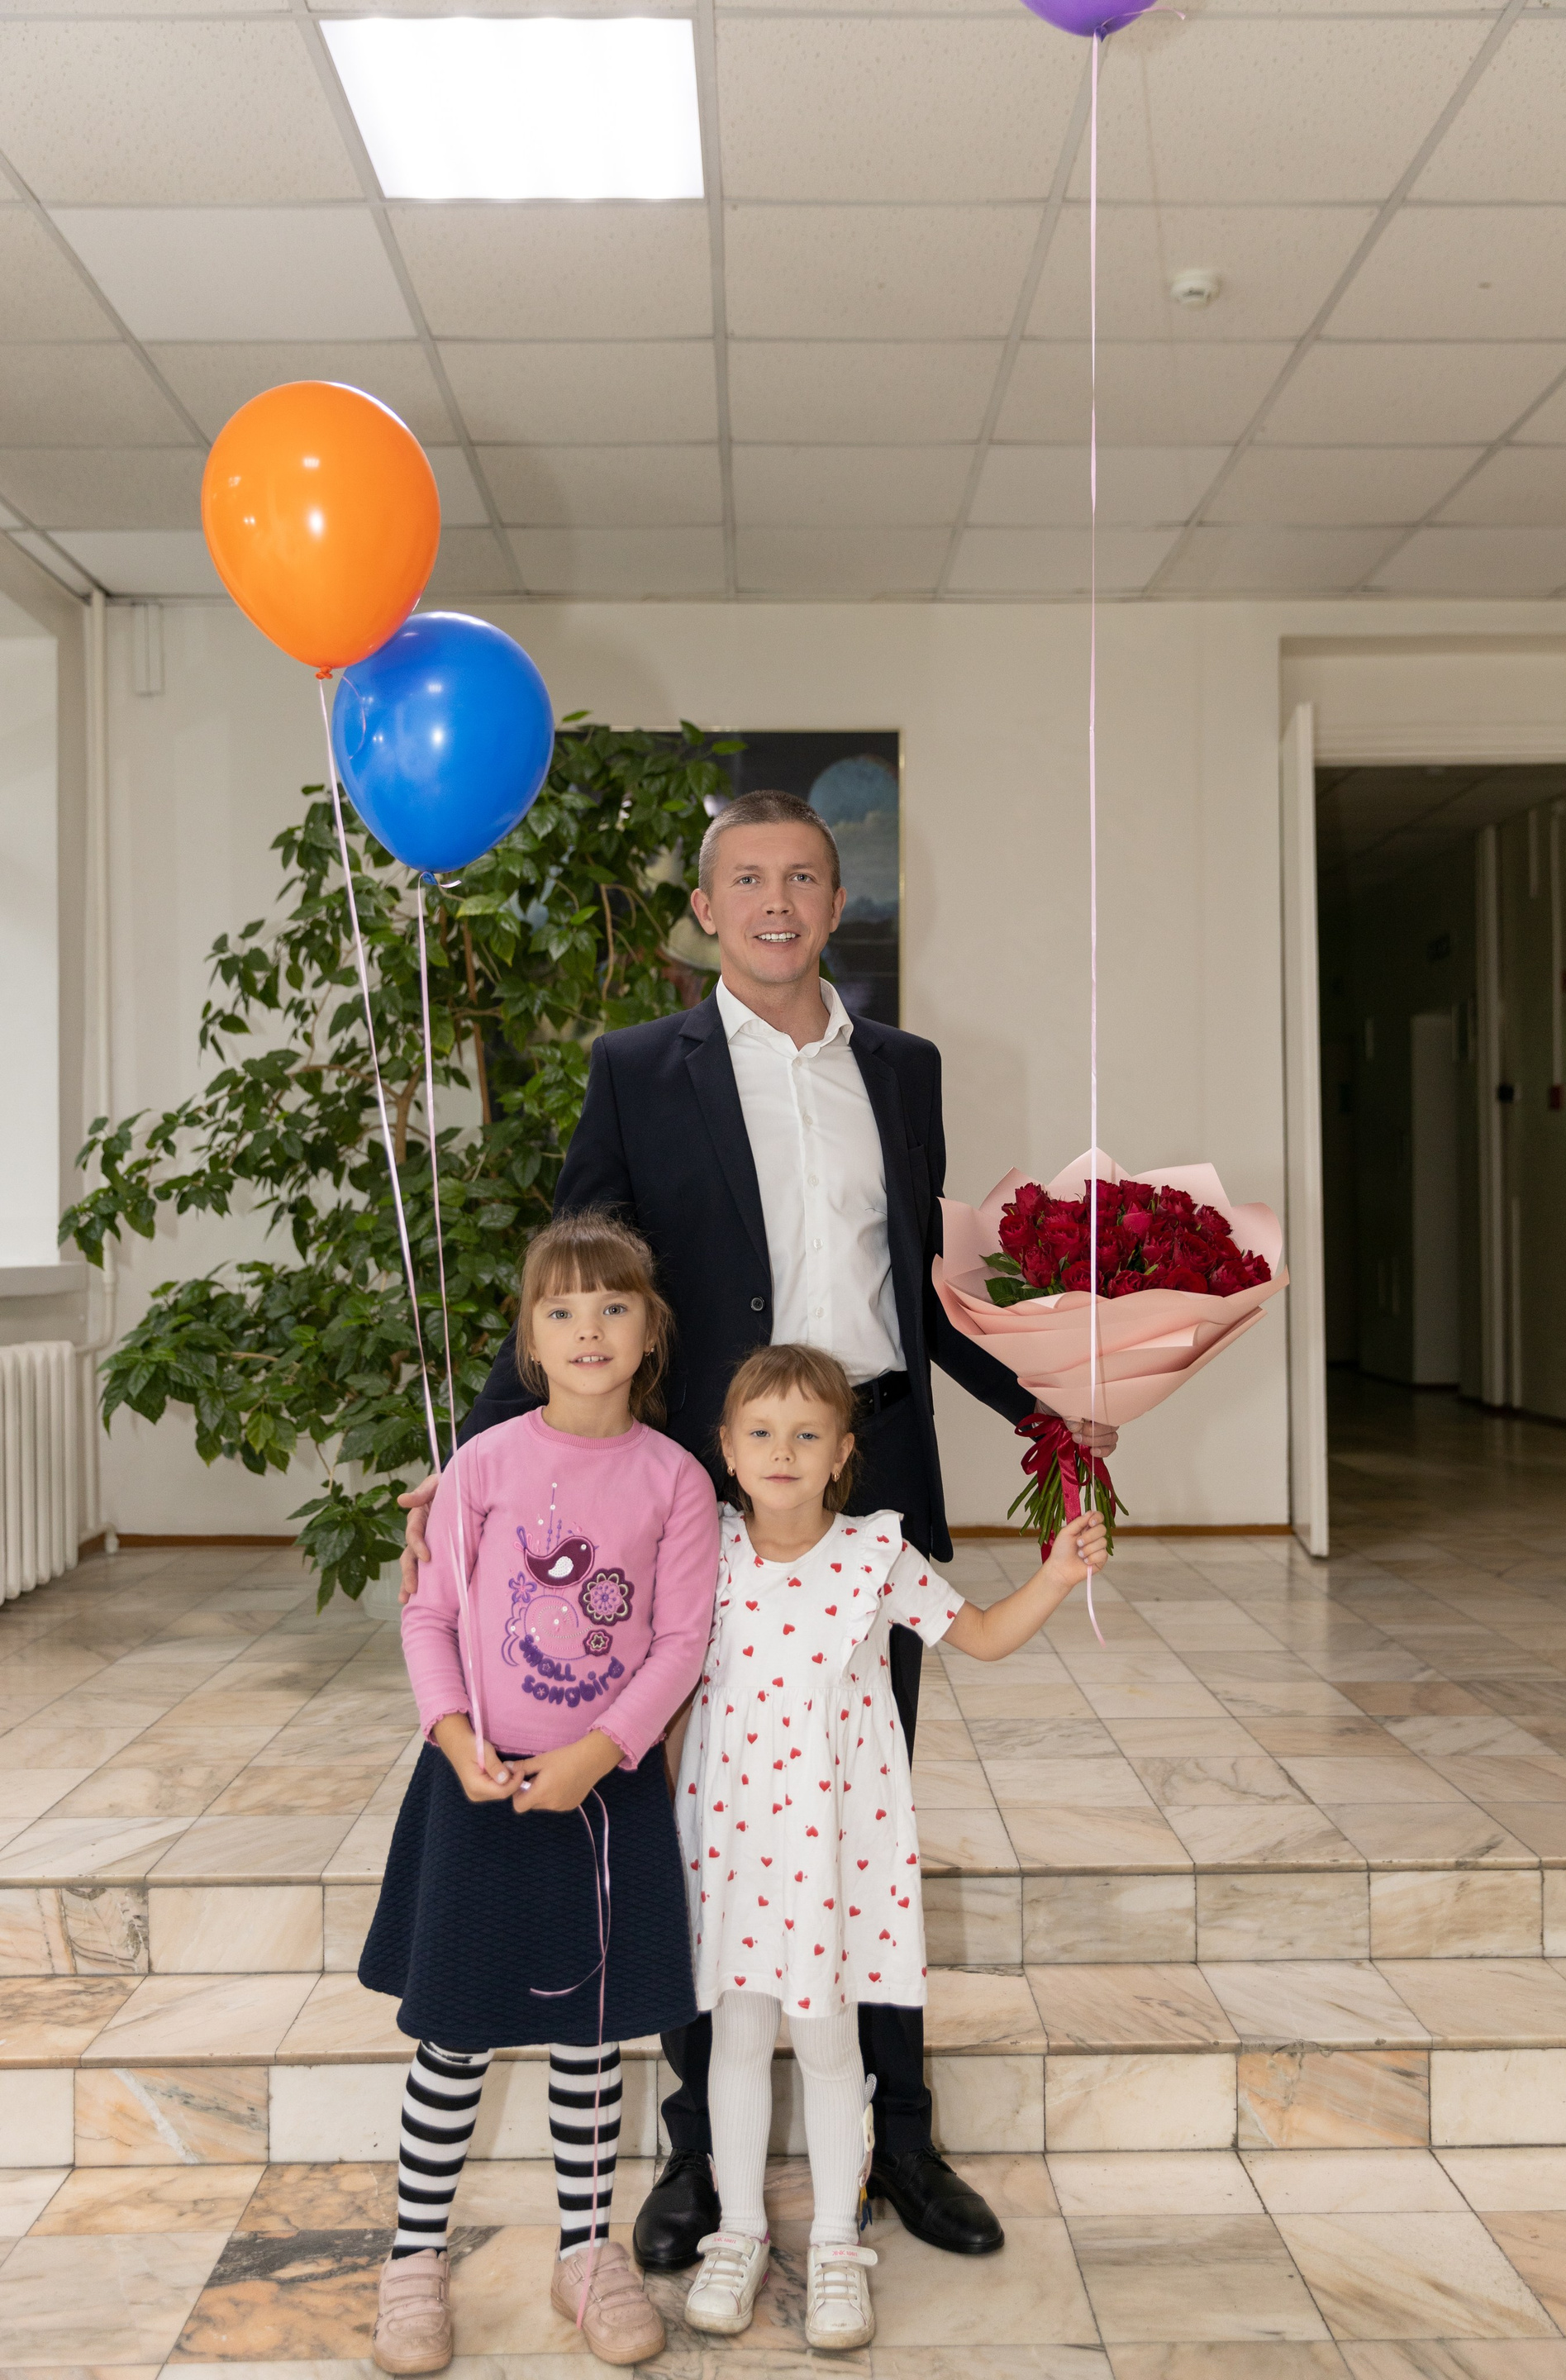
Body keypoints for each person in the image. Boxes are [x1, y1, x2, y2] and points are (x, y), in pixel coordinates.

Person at [398, 786, 1099, 2265]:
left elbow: (924, 1289)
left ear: (839, 905)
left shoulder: (903, 1069)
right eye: (747, 879)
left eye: (804, 877)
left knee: (866, 1806)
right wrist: (467, 1470)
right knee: (694, 1816)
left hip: (872, 1467)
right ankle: (694, 2155)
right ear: (705, 910)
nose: (777, 901)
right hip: (704, 1488)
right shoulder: (636, 1068)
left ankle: (900, 2136)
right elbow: (575, 1273)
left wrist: (1052, 1409)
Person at [678, 1341, 1108, 2349]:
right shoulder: (704, 1552)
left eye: (807, 1435)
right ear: (727, 1449)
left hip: (829, 1847)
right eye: (761, 1434)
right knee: (734, 2037)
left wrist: (1056, 1573)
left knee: (830, 2040)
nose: (782, 1453)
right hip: (734, 1841)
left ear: (843, 1453)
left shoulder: (876, 1556)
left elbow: (984, 1636)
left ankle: (837, 2240)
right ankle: (737, 2232)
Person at [361, 1211, 718, 2373]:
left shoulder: (676, 1480)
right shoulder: (484, 1463)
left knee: (589, 2041)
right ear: (529, 1336)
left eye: (614, 1305)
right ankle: (415, 2257)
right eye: (560, 1309)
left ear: (651, 1329)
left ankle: (585, 2253)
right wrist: (453, 1732)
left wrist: (600, 1753)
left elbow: (680, 1643)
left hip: (602, 1797)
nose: (588, 1328)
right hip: (477, 1787)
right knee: (452, 2040)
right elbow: (431, 1616)